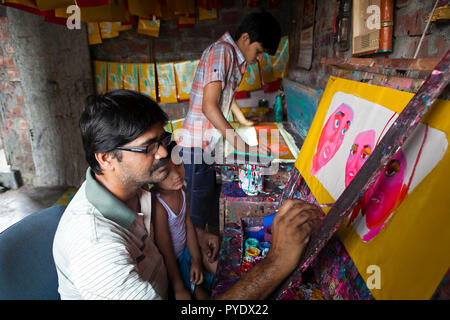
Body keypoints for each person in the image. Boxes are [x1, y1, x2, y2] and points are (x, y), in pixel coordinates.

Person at [53, 89, 322, 300]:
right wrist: (276, 263)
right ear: (106, 158)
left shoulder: (132, 186)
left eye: (162, 140)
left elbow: (160, 233)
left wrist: (196, 235)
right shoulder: (94, 248)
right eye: (147, 148)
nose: (162, 153)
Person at [177, 10, 282, 267]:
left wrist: (243, 121)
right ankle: (195, 272)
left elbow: (227, 94)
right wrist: (244, 147)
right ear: (245, 38)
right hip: (195, 148)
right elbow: (210, 106)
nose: (258, 59)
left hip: (206, 145)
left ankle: (207, 261)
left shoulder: (234, 59)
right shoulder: (223, 52)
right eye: (258, 51)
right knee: (197, 217)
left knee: (208, 208)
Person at [153, 145, 217, 300]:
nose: (177, 175)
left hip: (188, 250)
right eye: (166, 172)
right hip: (173, 263)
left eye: (178, 165)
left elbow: (189, 226)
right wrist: (179, 287)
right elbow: (166, 251)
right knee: (199, 294)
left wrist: (196, 260)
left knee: (217, 265)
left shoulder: (181, 191)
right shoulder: (159, 205)